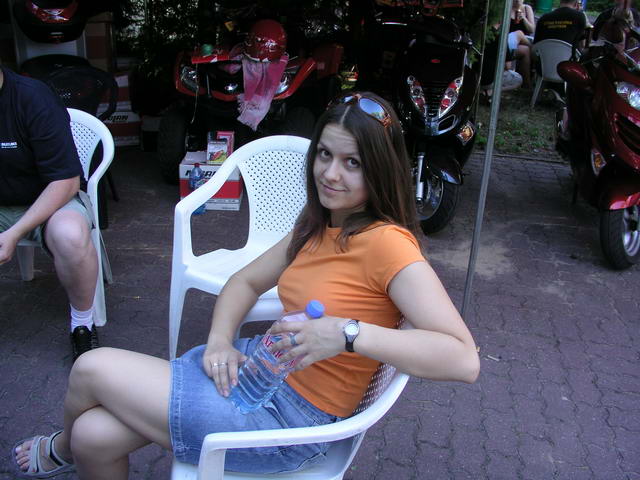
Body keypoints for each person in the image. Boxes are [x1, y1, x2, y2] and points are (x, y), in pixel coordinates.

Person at [12, 91, 480, 479]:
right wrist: (219, 340)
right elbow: (244, 281)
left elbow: (463, 359)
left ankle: (58, 452)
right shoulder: (318, 222)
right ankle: (74, 446)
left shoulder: (387, 244)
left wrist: (348, 333)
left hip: (287, 422)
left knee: (90, 367)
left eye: (352, 162)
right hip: (255, 373)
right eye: (324, 154)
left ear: (379, 169)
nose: (330, 174)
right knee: (93, 436)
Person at [0, 64, 100, 362]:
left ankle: (82, 325)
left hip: (51, 199)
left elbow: (66, 182)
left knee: (70, 235)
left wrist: (14, 233)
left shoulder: (32, 97)